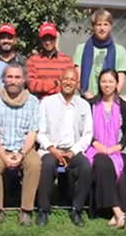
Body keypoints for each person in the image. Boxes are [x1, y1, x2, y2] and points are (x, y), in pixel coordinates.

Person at [0, 63, 41, 226]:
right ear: (3, 79)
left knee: (34, 164)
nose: (13, 81)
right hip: (0, 147)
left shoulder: (33, 101)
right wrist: (3, 155)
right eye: (9, 77)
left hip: (24, 147)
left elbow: (32, 132)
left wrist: (21, 153)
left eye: (17, 77)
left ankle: (26, 211)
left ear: (23, 80)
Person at [36, 68, 93, 227]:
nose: (68, 82)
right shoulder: (47, 103)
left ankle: (77, 209)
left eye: (72, 80)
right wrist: (52, 149)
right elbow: (40, 131)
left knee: (85, 167)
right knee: (47, 165)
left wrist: (73, 151)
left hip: (73, 150)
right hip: (51, 148)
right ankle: (43, 209)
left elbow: (87, 134)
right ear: (60, 81)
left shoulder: (84, 105)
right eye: (65, 79)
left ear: (77, 83)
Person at [85, 69, 126, 229]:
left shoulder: (124, 106)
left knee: (109, 163)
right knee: (101, 162)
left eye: (111, 81)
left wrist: (116, 147)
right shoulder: (91, 105)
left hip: (116, 149)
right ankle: (117, 211)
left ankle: (116, 211)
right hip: (94, 147)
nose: (107, 85)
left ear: (116, 83)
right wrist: (96, 144)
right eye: (104, 81)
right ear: (99, 83)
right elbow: (84, 130)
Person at [74, 8, 126, 99]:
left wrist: (107, 97)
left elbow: (120, 81)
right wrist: (87, 95)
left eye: (105, 24)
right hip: (86, 99)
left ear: (110, 26)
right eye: (99, 25)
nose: (102, 28)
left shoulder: (120, 51)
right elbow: (77, 78)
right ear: (93, 27)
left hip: (109, 101)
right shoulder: (81, 49)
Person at [26, 22, 75, 99]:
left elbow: (69, 85)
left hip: (61, 103)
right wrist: (55, 83)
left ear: (55, 39)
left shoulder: (67, 61)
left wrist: (43, 86)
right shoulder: (32, 61)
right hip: (40, 105)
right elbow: (32, 86)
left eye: (51, 38)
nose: (48, 42)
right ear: (41, 40)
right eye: (45, 39)